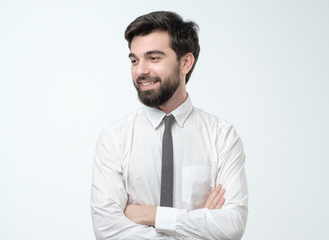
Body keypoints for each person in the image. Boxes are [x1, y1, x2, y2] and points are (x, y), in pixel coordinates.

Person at [91, 11, 248, 240]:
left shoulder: (222, 137)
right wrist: (199, 223)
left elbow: (232, 226)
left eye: (153, 58)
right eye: (135, 60)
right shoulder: (114, 138)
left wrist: (151, 215)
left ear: (185, 62)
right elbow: (107, 230)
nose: (141, 70)